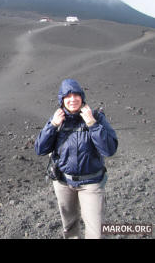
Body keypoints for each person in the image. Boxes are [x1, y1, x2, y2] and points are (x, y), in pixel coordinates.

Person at [34, 78, 118, 239]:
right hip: (63, 183)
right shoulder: (58, 120)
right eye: (67, 96)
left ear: (82, 97)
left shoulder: (96, 117)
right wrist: (52, 126)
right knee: (70, 227)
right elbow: (40, 149)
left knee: (97, 231)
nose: (72, 99)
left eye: (76, 95)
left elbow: (109, 150)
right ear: (62, 99)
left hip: (91, 183)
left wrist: (92, 124)